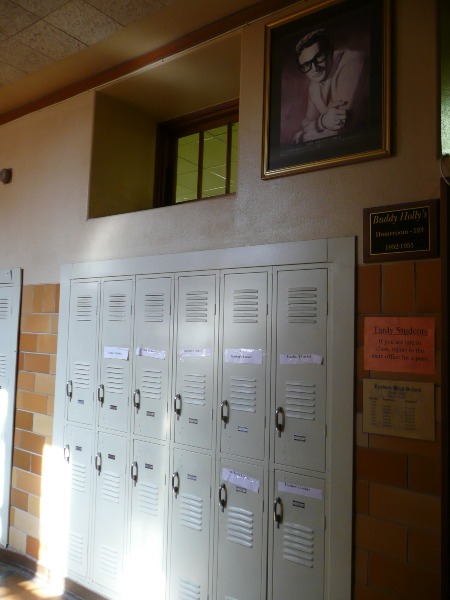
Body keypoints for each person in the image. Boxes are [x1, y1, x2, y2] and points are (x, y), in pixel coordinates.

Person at [292, 28, 367, 143]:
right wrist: (322, 122)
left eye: (318, 57)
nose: (315, 68)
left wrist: (299, 138)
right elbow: (307, 124)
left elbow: (341, 130)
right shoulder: (314, 84)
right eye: (306, 65)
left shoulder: (352, 62)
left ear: (330, 50)